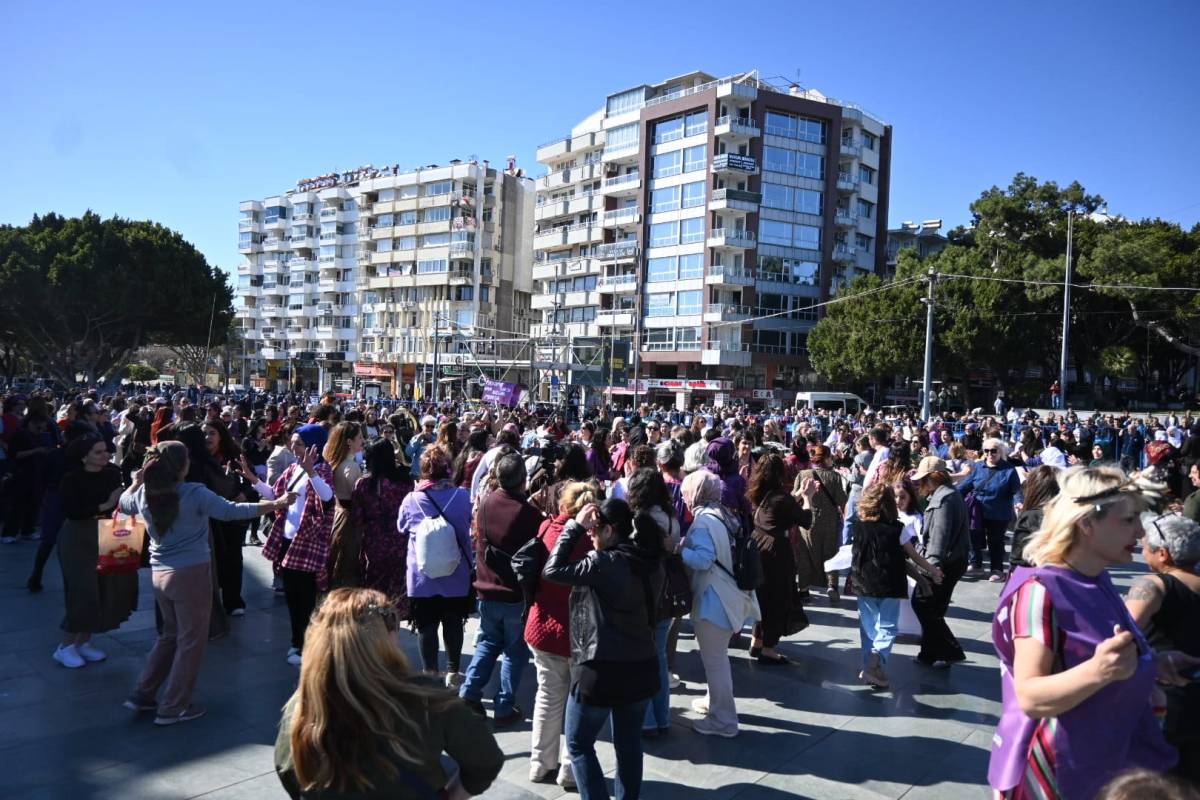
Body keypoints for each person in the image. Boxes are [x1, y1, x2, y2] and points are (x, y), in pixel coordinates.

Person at [989, 466, 1185, 799]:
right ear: (1086, 523)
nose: (1140, 531)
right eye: (1128, 520)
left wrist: (1152, 664)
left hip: (1106, 761)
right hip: (1057, 774)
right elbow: (1030, 696)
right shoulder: (1039, 591)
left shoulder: (1097, 579)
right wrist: (1099, 671)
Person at [274, 588, 504, 800]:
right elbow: (486, 760)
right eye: (393, 624)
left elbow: (289, 774)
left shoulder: (300, 709)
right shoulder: (427, 697)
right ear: (384, 638)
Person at [120, 441, 291, 724]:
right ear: (181, 465)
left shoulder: (143, 493)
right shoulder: (194, 493)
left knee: (170, 635)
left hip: (159, 574)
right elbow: (233, 511)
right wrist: (276, 504)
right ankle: (173, 706)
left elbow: (123, 503)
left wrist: (136, 482)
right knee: (191, 641)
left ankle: (143, 693)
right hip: (191, 573)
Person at [543, 498, 663, 799]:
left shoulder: (603, 564)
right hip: (642, 666)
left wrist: (573, 527)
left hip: (602, 670)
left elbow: (552, 569)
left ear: (609, 530)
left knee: (578, 743)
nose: (590, 535)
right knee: (629, 744)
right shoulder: (649, 562)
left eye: (594, 529)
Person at [525, 481, 598, 790]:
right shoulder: (590, 542)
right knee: (575, 700)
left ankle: (540, 762)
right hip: (577, 632)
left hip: (542, 626)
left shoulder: (546, 528)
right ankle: (569, 769)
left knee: (547, 695)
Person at [458, 452, 541, 724]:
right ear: (523, 480)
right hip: (513, 595)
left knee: (488, 642)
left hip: (486, 588)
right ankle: (504, 705)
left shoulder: (486, 503)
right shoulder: (529, 514)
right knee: (515, 651)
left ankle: (469, 692)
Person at [679, 470, 761, 737]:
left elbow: (703, 560)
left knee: (715, 662)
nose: (683, 497)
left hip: (714, 600)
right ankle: (712, 700)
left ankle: (723, 720)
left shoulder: (703, 521)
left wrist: (679, 549)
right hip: (730, 596)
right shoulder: (724, 514)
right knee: (717, 658)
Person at [1123, 513, 1200, 784]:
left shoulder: (1152, 585)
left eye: (1145, 547)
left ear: (1163, 553)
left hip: (1162, 701)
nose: (1142, 552)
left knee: (1150, 781)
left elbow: (1124, 635)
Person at [50, 435, 137, 668]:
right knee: (82, 591)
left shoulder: (112, 473)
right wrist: (106, 504)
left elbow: (121, 503)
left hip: (107, 531)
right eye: (98, 452)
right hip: (78, 536)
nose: (105, 455)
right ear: (84, 456)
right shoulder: (71, 479)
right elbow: (72, 511)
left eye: (105, 450)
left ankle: (83, 641)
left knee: (103, 588)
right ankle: (65, 646)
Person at [851, 481, 943, 689]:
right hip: (889, 585)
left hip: (863, 584)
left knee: (868, 628)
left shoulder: (858, 527)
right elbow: (912, 557)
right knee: (888, 626)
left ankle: (872, 668)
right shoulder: (897, 529)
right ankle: (875, 660)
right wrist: (932, 571)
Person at [399, 445, 473, 682]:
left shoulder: (411, 499)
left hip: (422, 577)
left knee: (426, 626)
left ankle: (430, 673)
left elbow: (401, 527)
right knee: (453, 623)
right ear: (448, 469)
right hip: (456, 573)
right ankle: (453, 671)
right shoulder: (462, 496)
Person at [260, 435, 335, 666]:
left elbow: (328, 498)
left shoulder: (322, 469)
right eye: (293, 442)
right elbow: (276, 495)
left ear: (314, 446)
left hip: (307, 540)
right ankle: (297, 641)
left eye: (300, 443)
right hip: (287, 539)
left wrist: (311, 471)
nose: (294, 447)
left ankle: (305, 645)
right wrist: (254, 481)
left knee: (306, 598)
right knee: (292, 597)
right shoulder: (293, 468)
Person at [624, 468, 682, 737]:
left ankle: (645, 719)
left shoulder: (638, 520)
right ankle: (662, 717)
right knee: (658, 657)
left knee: (639, 658)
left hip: (641, 593)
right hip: (665, 592)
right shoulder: (670, 518)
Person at [746, 454, 816, 665]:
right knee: (777, 597)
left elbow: (781, 507)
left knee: (762, 596)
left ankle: (757, 640)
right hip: (777, 552)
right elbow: (806, 520)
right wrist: (808, 498)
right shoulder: (781, 498)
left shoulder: (760, 494)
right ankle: (768, 647)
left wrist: (797, 494)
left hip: (759, 546)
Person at [910, 456, 970, 668]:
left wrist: (932, 568)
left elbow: (939, 536)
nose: (919, 484)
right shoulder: (949, 494)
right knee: (934, 607)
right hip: (953, 560)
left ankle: (951, 650)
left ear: (931, 478)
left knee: (923, 603)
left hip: (943, 563)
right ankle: (929, 653)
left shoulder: (943, 500)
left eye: (922, 479)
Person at [351, 437, 412, 618]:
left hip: (374, 541)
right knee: (397, 586)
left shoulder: (363, 484)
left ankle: (376, 621)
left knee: (374, 587)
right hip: (400, 539)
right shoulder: (405, 481)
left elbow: (357, 518)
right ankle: (394, 620)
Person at [957, 437, 1021, 582]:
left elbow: (1016, 490)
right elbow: (965, 486)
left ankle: (997, 570)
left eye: (994, 451)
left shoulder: (1009, 469)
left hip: (999, 512)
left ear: (1001, 452)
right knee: (973, 537)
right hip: (977, 511)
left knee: (995, 542)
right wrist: (950, 495)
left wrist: (1019, 502)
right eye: (986, 451)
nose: (990, 454)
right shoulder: (978, 467)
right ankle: (976, 564)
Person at [795, 444, 847, 602]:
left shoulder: (803, 474)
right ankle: (832, 585)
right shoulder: (835, 477)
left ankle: (804, 589)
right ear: (827, 458)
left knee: (805, 553)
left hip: (807, 519)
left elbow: (795, 496)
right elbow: (842, 500)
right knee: (831, 553)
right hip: (829, 521)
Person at [325, 421, 365, 589]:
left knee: (336, 559)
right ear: (349, 441)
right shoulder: (351, 466)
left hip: (337, 513)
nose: (363, 440)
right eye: (360, 437)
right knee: (347, 563)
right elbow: (357, 495)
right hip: (349, 519)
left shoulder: (335, 462)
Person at [1010, 465, 1060, 570]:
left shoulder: (1030, 516)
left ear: (1033, 487)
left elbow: (1018, 558)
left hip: (1037, 573)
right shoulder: (1071, 514)